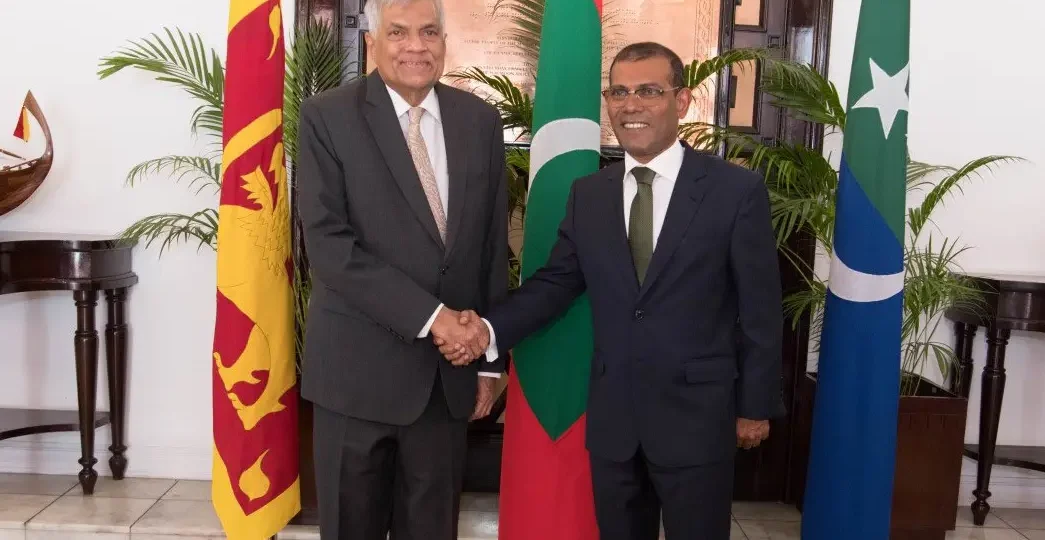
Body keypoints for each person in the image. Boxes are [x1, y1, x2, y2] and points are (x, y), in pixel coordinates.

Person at [437, 42, 786, 539]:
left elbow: (760, 310)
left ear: (682, 100)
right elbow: (555, 284)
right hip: (615, 424)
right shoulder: (590, 194)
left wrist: (754, 405)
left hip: (699, 420)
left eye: (649, 91)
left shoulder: (734, 191)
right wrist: (489, 331)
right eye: (618, 92)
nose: (630, 104)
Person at [294, 0, 509, 537]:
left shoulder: (479, 121)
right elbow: (330, 247)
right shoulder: (327, 117)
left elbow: (490, 245)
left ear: (444, 42)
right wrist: (436, 318)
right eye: (398, 32)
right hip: (355, 379)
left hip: (446, 382)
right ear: (371, 42)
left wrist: (489, 361)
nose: (416, 46)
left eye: (429, 32)